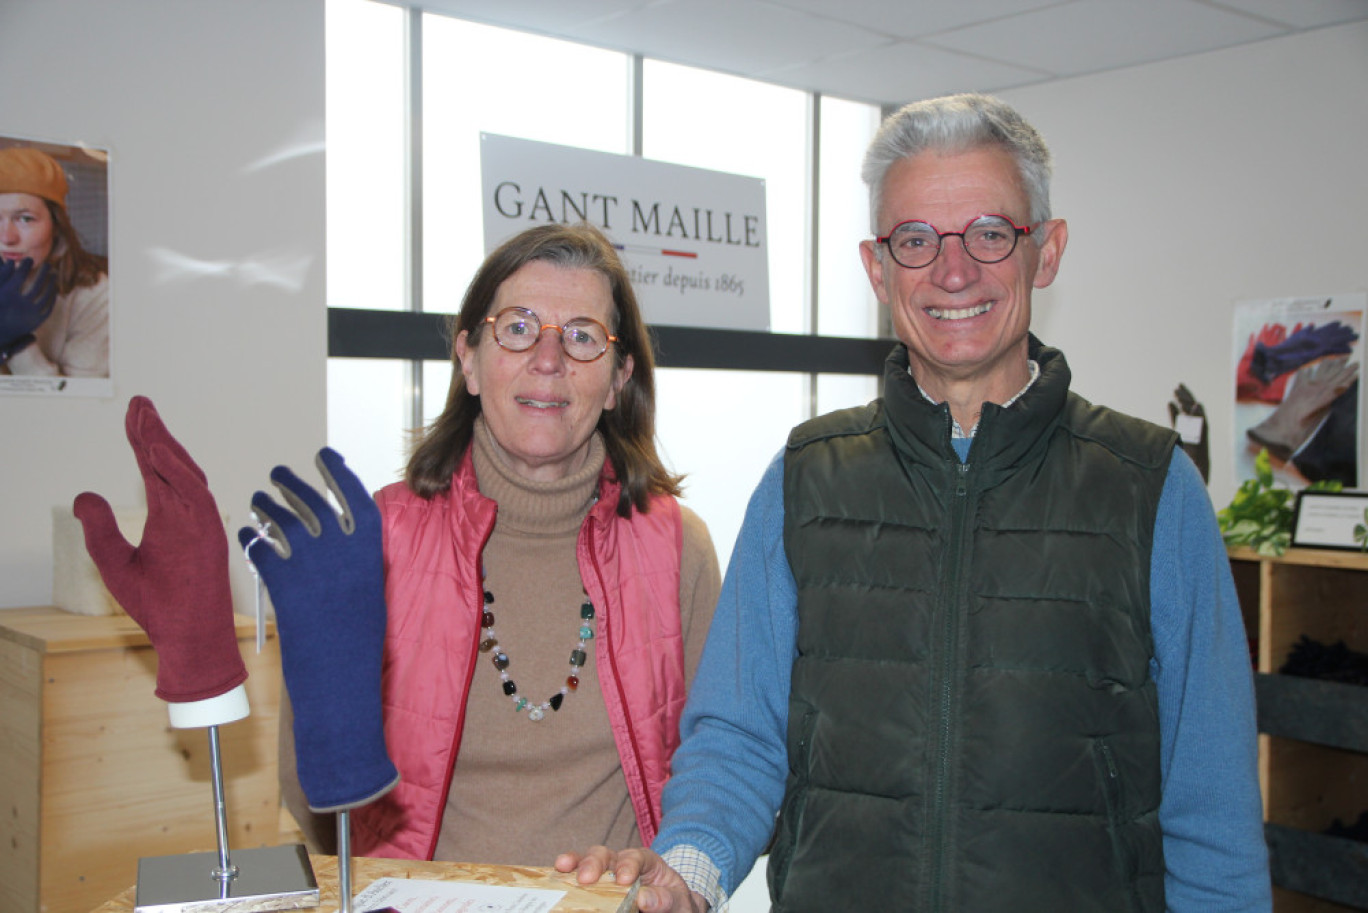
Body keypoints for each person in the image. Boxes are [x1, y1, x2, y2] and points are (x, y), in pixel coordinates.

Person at [558, 94, 1271, 912]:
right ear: (877, 267)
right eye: (917, 240)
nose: (953, 271)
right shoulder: (803, 478)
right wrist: (687, 868)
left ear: (1047, 250)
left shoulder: (1150, 486)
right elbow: (739, 739)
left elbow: (1212, 808)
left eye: (990, 234)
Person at [278, 221, 721, 865]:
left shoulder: (679, 546)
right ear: (469, 360)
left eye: (582, 337)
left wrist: (675, 863)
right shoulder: (374, 542)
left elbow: (722, 764)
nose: (549, 360)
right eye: (517, 328)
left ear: (620, 377)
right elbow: (316, 799)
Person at [0, 145, 110, 377]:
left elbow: (80, 406)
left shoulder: (93, 294)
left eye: (25, 219)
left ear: (56, 226)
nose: (7, 237)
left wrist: (17, 344)